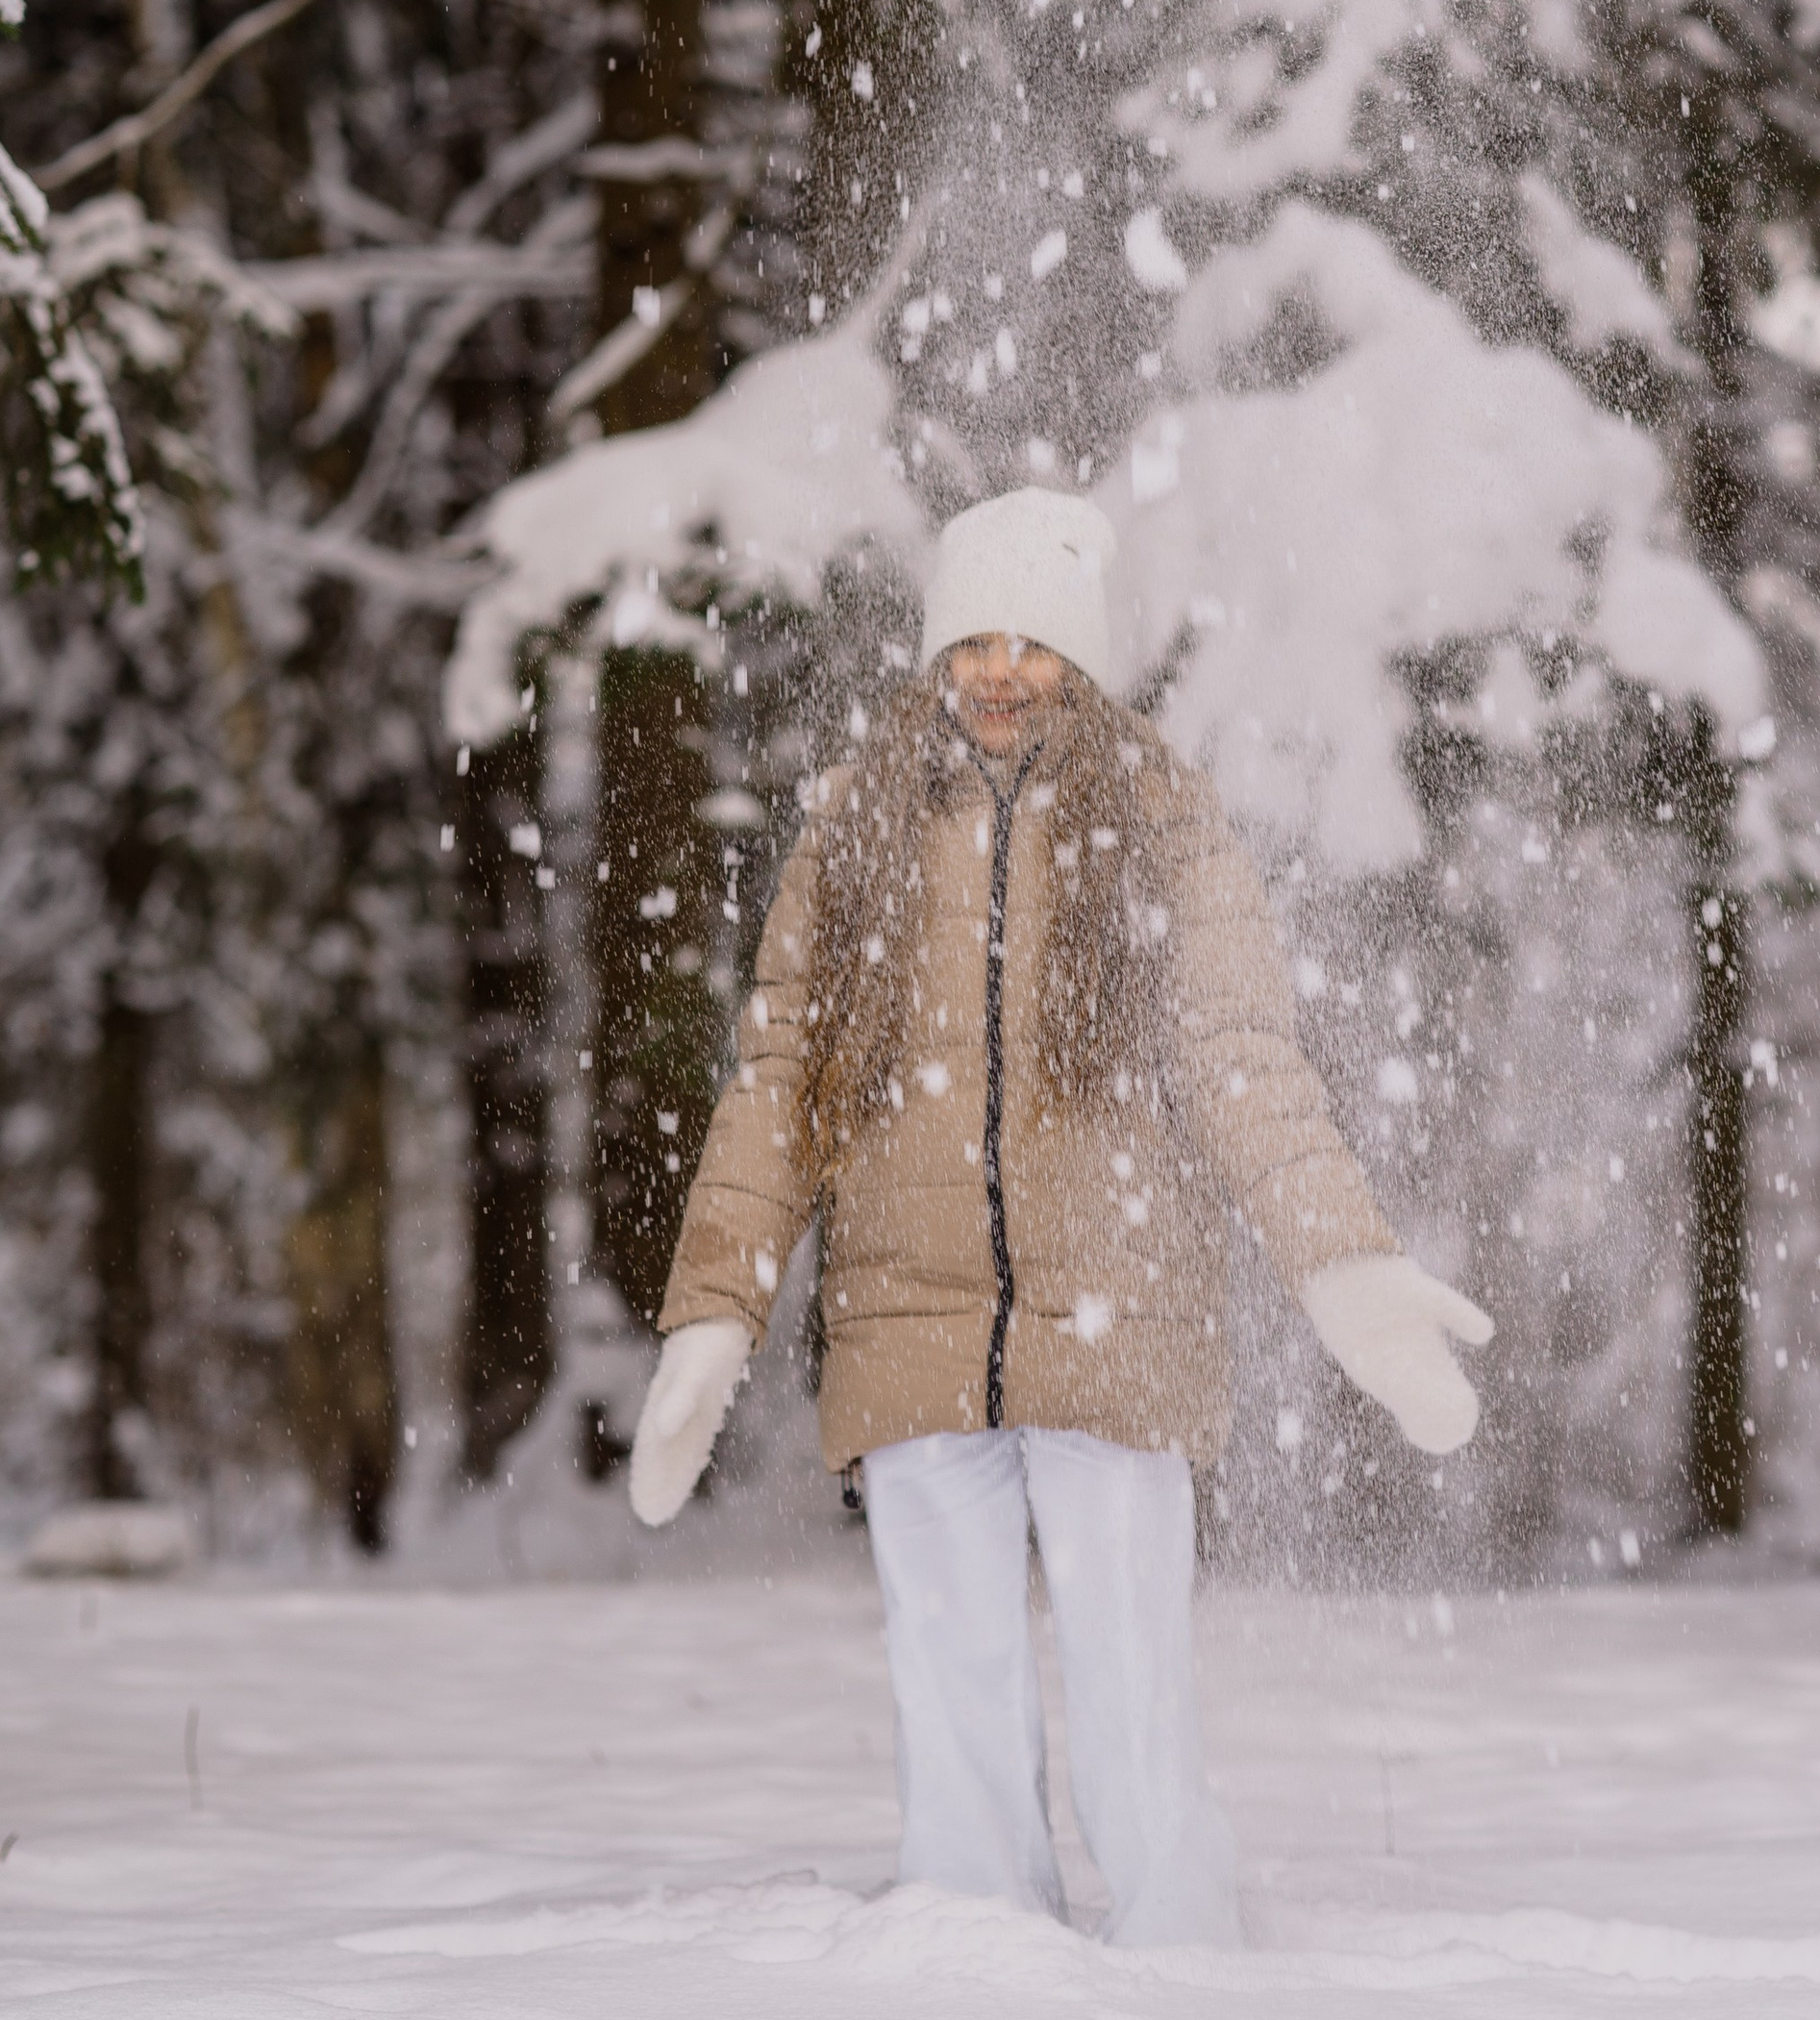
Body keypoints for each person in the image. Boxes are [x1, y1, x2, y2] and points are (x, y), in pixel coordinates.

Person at [626, 486, 1492, 1946]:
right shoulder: (855, 827)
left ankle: (1178, 1942)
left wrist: (1345, 1266)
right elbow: (780, 1082)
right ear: (936, 652)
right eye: (974, 640)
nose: (1001, 670)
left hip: (1117, 1311)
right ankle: (973, 1940)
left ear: (1082, 656)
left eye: (1032, 641)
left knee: (1131, 1671)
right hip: (910, 1317)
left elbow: (1241, 1061)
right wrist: (715, 1312)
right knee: (948, 1671)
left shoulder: (1163, 818)